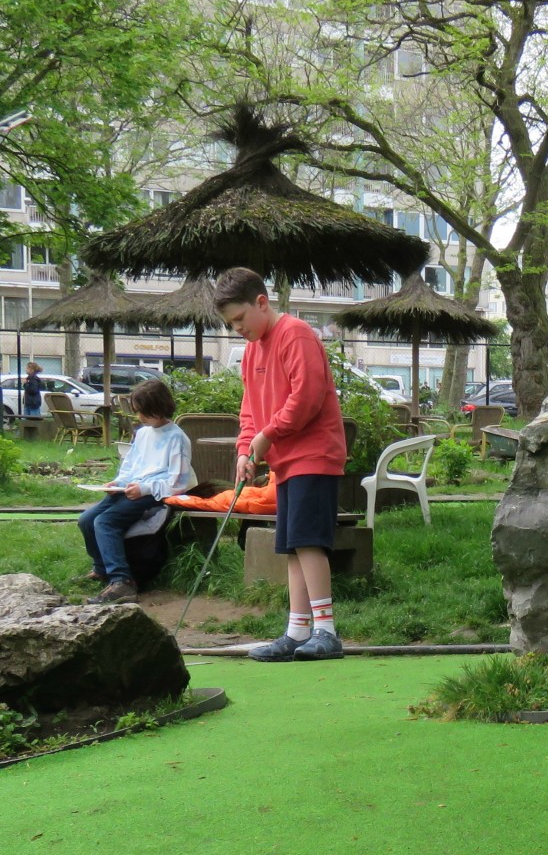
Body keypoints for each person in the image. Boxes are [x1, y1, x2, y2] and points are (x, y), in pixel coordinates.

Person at [215, 266, 349, 662]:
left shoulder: (295, 334)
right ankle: (297, 631)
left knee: (309, 541)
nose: (237, 328)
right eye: (230, 324)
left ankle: (326, 631)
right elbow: (249, 412)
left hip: (314, 454)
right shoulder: (251, 352)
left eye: (240, 319)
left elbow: (305, 397)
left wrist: (268, 435)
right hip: (285, 462)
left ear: (261, 302)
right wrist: (245, 450)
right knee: (293, 545)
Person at [78, 378, 195, 604]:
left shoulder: (177, 438)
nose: (139, 417)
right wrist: (117, 482)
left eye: (143, 412)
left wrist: (144, 489)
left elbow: (178, 482)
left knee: (105, 522)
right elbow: (131, 464)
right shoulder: (142, 433)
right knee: (86, 520)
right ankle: (101, 568)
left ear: (158, 409)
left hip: (155, 494)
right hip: (131, 488)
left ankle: (122, 581)